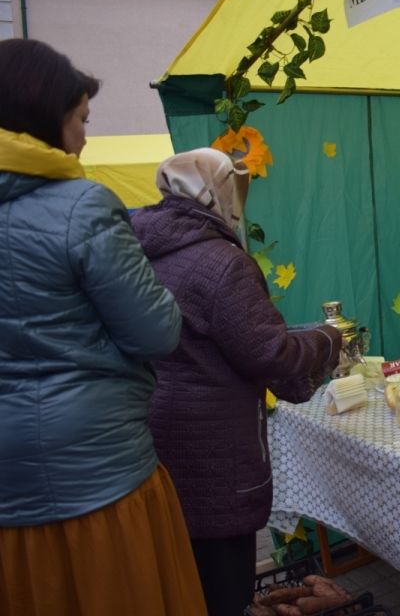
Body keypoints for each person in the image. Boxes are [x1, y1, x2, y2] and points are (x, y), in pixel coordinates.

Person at [0, 39, 207, 615]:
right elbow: (156, 332)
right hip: (92, 472)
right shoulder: (81, 206)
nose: (87, 136)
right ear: (47, 118)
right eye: (82, 118)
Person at [131, 148, 343, 616]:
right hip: (212, 448)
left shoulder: (142, 249)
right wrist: (329, 339)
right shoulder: (220, 262)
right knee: (225, 585)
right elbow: (268, 353)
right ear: (218, 191)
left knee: (186, 579)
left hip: (157, 432)